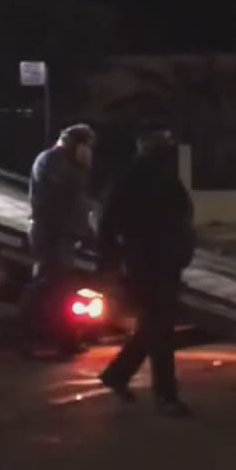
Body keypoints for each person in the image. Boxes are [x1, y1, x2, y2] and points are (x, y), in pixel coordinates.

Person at [97, 122, 196, 416]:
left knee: (154, 326)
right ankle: (166, 397)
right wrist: (114, 260)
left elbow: (182, 217)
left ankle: (117, 374)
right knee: (161, 328)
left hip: (163, 261)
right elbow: (107, 222)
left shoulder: (161, 176)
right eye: (160, 140)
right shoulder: (133, 178)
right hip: (147, 262)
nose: (166, 145)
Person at [23, 124, 97, 355]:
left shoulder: (67, 163)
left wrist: (85, 230)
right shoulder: (52, 160)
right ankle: (49, 336)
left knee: (57, 287)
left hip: (62, 233)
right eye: (86, 145)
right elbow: (64, 197)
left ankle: (59, 337)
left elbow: (77, 200)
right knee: (53, 287)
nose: (88, 151)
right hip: (52, 233)